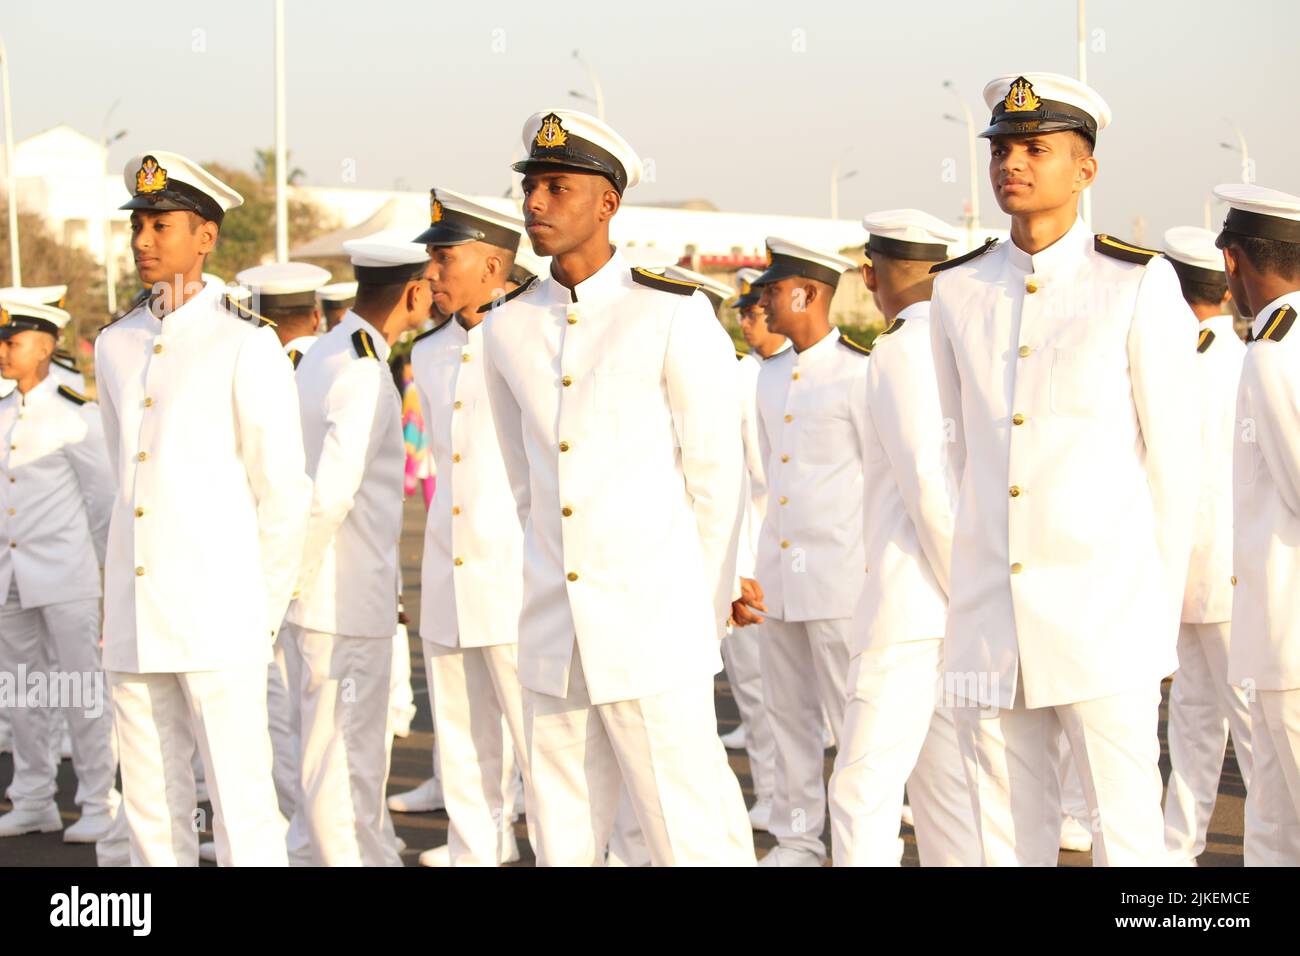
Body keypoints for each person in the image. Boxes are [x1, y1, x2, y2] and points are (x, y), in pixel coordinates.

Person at [929, 74, 1199, 866]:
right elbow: (959, 458)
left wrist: (1153, 617)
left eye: (1035, 149)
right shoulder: (959, 288)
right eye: (1003, 149)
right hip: (990, 618)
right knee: (1005, 836)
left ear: (1084, 169)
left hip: (1105, 615)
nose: (1012, 163)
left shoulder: (1135, 282)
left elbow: (1174, 467)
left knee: (1127, 834)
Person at [481, 108, 753, 866]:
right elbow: (525, 482)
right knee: (561, 835)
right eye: (530, 186)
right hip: (551, 629)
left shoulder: (670, 310)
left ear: (607, 203)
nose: (534, 203)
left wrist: (698, 616)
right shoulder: (506, 325)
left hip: (653, 628)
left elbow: (713, 478)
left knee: (684, 832)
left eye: (556, 187)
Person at [94, 150, 311, 866]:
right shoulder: (116, 343)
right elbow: (119, 485)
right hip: (134, 613)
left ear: (206, 235)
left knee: (241, 810)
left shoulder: (245, 344)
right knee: (151, 814)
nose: (144, 240)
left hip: (220, 618)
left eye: (162, 224)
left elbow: (283, 494)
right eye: (138, 226)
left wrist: (260, 612)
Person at [284, 230, 431, 866]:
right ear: (415, 291)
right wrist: (293, 576)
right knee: (350, 764)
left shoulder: (323, 352)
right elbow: (331, 496)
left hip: (319, 602)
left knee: (321, 758)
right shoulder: (366, 372)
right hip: (343, 599)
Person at [408, 187, 537, 867]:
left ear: (492, 264)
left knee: (541, 734)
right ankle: (477, 845)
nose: (430, 272)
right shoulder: (428, 354)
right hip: (448, 565)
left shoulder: (538, 335)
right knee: (459, 728)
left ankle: (562, 847)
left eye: (443, 256)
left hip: (518, 570)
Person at [732, 237, 862, 866]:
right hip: (779, 575)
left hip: (841, 576)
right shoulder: (767, 375)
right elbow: (764, 478)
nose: (762, 300)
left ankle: (864, 841)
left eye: (773, 290)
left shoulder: (861, 369)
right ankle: (798, 840)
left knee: (853, 724)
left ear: (807, 294)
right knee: (790, 722)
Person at [0, 299, 117, 843]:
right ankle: (32, 798)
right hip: (10, 576)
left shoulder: (76, 413)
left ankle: (98, 799)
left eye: (13, 341)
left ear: (45, 347)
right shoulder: (1, 411)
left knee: (81, 689)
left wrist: (108, 579)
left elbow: (102, 501)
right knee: (19, 692)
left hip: (66, 573)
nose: (2, 351)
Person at [1158, 225, 1257, 865]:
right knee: (1193, 719)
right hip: (1197, 575)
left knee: (1255, 727)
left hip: (1221, 570)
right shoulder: (1190, 358)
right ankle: (1176, 849)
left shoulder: (1240, 361)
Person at [1218, 183, 1300, 865]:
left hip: (1290, 632)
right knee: (1271, 820)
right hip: (1279, 633)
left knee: (1282, 814)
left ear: (1234, 262)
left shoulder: (1275, 348)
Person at [724, 267, 782, 830]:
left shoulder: (786, 375)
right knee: (757, 691)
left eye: (754, 310)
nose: (747, 321)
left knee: (790, 696)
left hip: (784, 553)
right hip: (750, 548)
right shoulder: (742, 376)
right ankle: (773, 795)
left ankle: (790, 799)